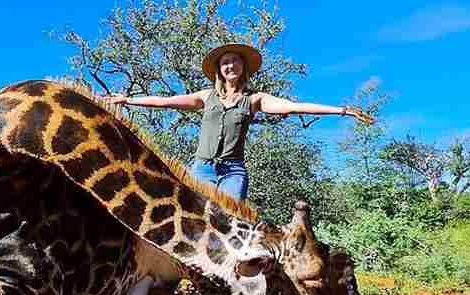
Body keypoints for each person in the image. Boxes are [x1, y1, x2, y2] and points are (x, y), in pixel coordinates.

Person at [105, 43, 373, 200]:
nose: (230, 66)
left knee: (232, 220)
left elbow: (294, 107)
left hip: (233, 171)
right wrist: (127, 100)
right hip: (201, 169)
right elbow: (166, 101)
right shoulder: (205, 96)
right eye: (225, 63)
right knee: (196, 216)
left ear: (243, 67)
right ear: (220, 70)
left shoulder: (255, 99)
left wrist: (342, 110)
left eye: (234, 61)